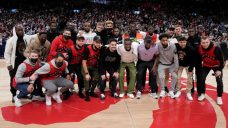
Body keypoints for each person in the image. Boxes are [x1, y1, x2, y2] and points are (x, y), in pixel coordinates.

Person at [4, 24, 35, 102]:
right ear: (15, 31)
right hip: (15, 64)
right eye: (19, 30)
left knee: (26, 78)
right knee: (13, 80)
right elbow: (7, 53)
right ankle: (14, 95)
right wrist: (8, 64)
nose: (21, 31)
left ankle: (23, 93)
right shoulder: (10, 40)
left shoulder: (26, 38)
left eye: (22, 30)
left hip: (25, 63)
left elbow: (34, 36)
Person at [195, 36, 224, 105]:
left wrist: (220, 70)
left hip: (216, 66)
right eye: (203, 43)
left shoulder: (216, 48)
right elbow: (197, 59)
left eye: (207, 42)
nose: (205, 44)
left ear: (209, 41)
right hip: (206, 65)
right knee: (201, 78)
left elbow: (222, 60)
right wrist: (198, 68)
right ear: (201, 43)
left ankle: (219, 97)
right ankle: (202, 94)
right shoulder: (198, 48)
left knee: (219, 80)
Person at [153, 33, 178, 98]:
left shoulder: (173, 46)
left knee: (175, 76)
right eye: (163, 40)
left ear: (168, 40)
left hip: (171, 64)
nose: (165, 41)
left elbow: (175, 57)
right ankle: (162, 90)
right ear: (160, 41)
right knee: (161, 77)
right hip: (162, 64)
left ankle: (171, 91)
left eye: (166, 40)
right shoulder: (158, 45)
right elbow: (155, 54)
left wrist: (176, 67)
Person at [82, 36, 101, 101]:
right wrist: (86, 73)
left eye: (99, 42)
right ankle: (87, 94)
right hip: (86, 65)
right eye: (97, 42)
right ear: (93, 42)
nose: (98, 44)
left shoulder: (100, 48)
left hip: (94, 66)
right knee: (87, 78)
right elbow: (84, 61)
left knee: (97, 77)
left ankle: (92, 91)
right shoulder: (87, 49)